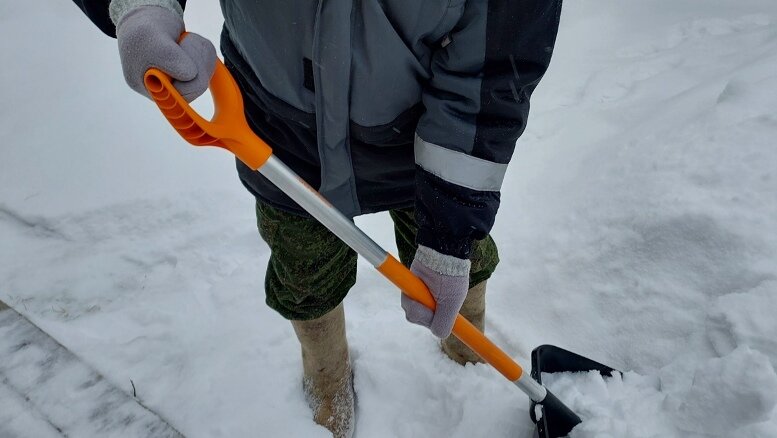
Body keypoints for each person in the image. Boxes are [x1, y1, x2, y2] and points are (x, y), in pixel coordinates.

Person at [72, 1, 562, 436]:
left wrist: (451, 236)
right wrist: (140, 6)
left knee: (460, 264)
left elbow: (495, 66)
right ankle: (326, 376)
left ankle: (466, 344)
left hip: (429, 144)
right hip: (280, 137)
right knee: (305, 273)